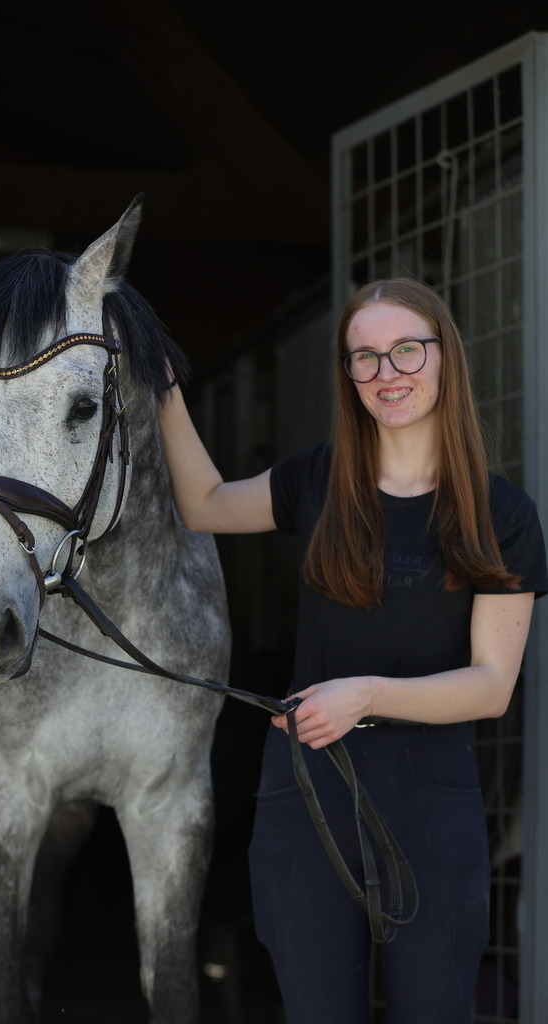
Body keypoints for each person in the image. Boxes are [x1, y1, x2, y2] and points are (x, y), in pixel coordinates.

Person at [156, 277, 547, 1024]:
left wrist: (363, 695)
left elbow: (491, 685)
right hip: (307, 789)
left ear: (443, 358)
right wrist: (163, 386)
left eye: (404, 350)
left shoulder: (499, 513)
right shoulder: (316, 479)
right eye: (362, 358)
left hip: (429, 793)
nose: (384, 373)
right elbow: (201, 503)